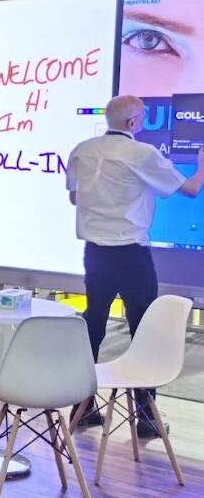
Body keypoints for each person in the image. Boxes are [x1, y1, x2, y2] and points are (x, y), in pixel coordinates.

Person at [66, 94, 204, 436]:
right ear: (133, 123)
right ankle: (145, 417)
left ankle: (82, 408)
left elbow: (74, 196)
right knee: (143, 329)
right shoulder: (142, 154)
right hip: (131, 255)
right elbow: (189, 189)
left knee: (93, 325)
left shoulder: (82, 150)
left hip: (95, 253)